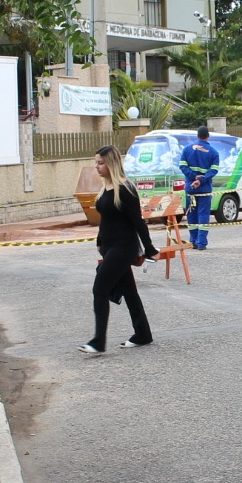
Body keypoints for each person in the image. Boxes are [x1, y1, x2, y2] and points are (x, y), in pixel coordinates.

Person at [81, 145, 156, 354]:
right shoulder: (106, 187)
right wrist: (99, 241)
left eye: (101, 163)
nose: (97, 167)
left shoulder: (126, 189)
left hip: (124, 247)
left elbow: (138, 222)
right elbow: (106, 219)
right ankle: (143, 334)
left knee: (100, 289)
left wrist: (149, 248)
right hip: (109, 247)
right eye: (96, 162)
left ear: (111, 163)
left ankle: (98, 341)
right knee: (130, 292)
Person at [179, 125, 221, 249]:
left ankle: (193, 241)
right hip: (205, 189)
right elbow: (214, 170)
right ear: (208, 136)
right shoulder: (214, 152)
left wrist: (193, 177)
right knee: (203, 214)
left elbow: (182, 166)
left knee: (191, 214)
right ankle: (201, 242)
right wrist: (201, 180)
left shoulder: (187, 149)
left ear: (197, 136)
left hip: (191, 188)